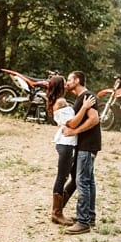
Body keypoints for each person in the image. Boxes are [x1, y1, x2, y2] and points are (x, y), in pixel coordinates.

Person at [62, 71, 102, 235]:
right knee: (89, 181)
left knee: (82, 181)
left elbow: (94, 119)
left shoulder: (88, 96)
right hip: (86, 145)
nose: (67, 82)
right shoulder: (81, 98)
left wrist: (74, 131)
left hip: (87, 145)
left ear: (77, 80)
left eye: (70, 79)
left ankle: (83, 221)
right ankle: (89, 217)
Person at [47, 76, 80, 226]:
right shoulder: (61, 102)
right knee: (62, 177)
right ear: (61, 86)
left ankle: (59, 209)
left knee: (74, 177)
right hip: (66, 143)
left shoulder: (57, 101)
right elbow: (72, 123)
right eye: (64, 83)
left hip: (66, 142)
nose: (67, 85)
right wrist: (85, 108)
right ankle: (56, 213)